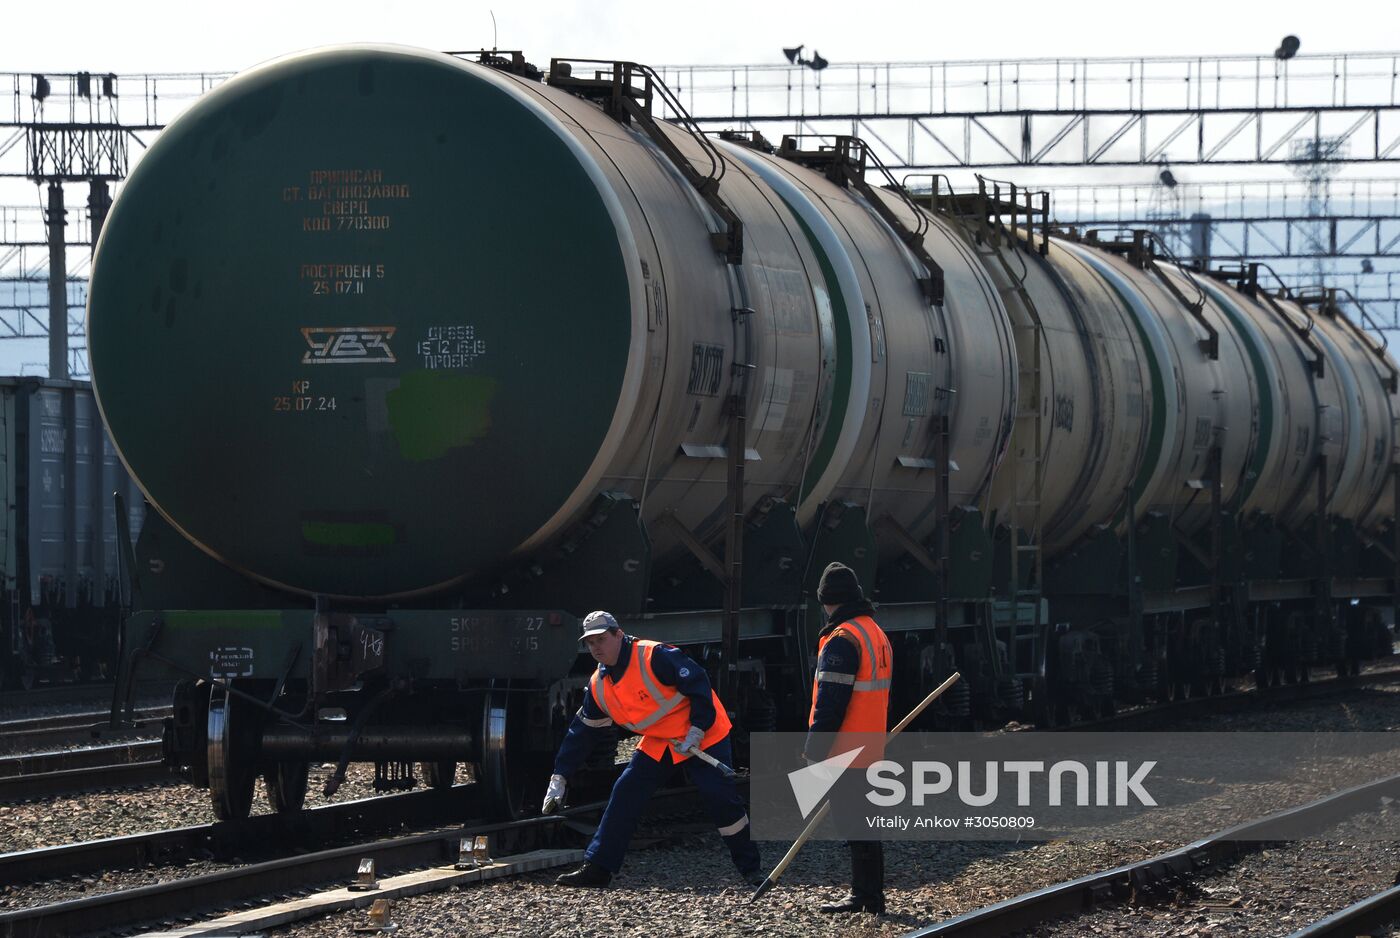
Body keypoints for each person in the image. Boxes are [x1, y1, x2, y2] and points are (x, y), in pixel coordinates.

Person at [544, 610, 762, 888]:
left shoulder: (654, 655)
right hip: (663, 740)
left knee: (719, 797)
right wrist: (559, 777)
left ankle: (751, 870)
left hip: (704, 734)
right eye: (590, 643)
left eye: (601, 639)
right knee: (626, 792)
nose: (596, 647)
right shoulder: (599, 686)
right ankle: (598, 868)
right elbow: (581, 734)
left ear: (618, 635)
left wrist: (697, 728)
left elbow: (698, 684)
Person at [803, 561, 893, 914]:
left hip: (845, 749)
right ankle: (870, 896)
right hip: (871, 745)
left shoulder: (842, 641)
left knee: (856, 826)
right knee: (865, 826)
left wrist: (815, 751)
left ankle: (866, 897)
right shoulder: (875, 633)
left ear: (827, 601)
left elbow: (830, 703)